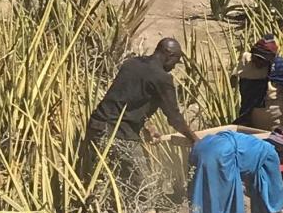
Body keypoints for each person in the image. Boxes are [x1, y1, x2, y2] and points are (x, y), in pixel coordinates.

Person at [83, 39, 199, 196]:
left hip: (96, 126)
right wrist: (195, 139)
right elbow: (174, 118)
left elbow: (128, 100)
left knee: (104, 182)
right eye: (175, 61)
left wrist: (148, 127)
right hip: (118, 135)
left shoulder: (132, 64)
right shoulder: (162, 78)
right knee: (143, 188)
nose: (173, 67)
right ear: (168, 55)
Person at [237, 38, 283, 199]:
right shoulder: (246, 63)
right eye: (256, 59)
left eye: (262, 61)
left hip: (280, 131)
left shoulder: (281, 69)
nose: (258, 63)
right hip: (255, 129)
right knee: (261, 170)